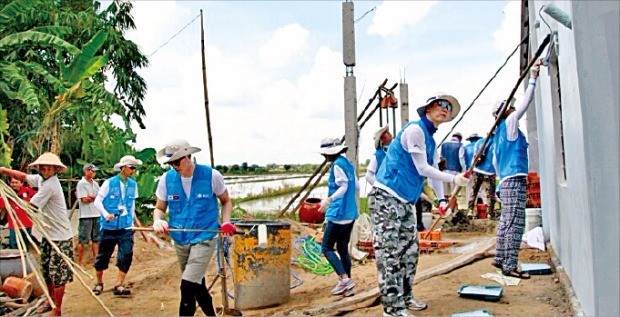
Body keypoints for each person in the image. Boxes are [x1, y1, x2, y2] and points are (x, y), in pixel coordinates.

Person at [370, 93, 470, 316]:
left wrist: (442, 200)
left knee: (410, 252)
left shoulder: (431, 139)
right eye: (440, 105)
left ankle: (405, 298)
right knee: (390, 254)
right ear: (428, 108)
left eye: (448, 107)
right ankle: (392, 308)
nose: (445, 109)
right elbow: (422, 168)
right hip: (387, 197)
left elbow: (433, 172)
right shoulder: (415, 130)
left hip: (406, 201)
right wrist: (453, 179)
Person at [152, 139, 234, 317]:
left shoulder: (211, 176)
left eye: (177, 161)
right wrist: (158, 221)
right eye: (170, 163)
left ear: (189, 156)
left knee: (187, 286)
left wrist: (226, 222)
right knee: (197, 284)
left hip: (204, 237)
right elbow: (159, 208)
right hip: (181, 239)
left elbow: (226, 201)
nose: (174, 166)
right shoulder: (167, 180)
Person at [0, 153, 74, 316]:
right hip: (48, 236)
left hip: (60, 237)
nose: (44, 169)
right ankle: (50, 299)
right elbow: (24, 177)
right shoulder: (42, 179)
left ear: (55, 169)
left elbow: (31, 207)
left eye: (48, 166)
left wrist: (10, 197)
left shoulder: (50, 185)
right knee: (47, 271)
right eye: (42, 166)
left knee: (58, 275)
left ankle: (57, 309)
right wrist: (4, 170)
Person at [491, 63, 542, 279]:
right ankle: (510, 265)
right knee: (515, 222)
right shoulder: (510, 123)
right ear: (505, 111)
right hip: (513, 180)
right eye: (509, 106)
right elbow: (524, 103)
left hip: (505, 180)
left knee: (506, 221)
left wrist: (499, 185)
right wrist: (533, 78)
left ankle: (501, 257)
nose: (513, 108)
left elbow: (495, 163)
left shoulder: (497, 135)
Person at [92, 155, 142, 296]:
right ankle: (99, 282)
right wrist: (105, 213)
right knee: (103, 256)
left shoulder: (133, 185)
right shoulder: (109, 183)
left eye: (134, 168)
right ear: (123, 167)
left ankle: (119, 284)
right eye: (131, 167)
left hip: (125, 228)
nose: (133, 170)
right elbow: (97, 201)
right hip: (109, 227)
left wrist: (132, 223)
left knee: (126, 255)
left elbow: (132, 205)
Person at [75, 163, 101, 267]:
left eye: (94, 171)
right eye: (91, 171)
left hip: (96, 213)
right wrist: (94, 197)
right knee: (83, 239)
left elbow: (98, 197)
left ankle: (97, 260)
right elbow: (84, 199)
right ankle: (80, 262)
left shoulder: (95, 184)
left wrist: (92, 197)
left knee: (96, 239)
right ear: (86, 171)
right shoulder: (81, 183)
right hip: (85, 215)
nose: (93, 173)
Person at [0, 177, 36, 249]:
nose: (14, 184)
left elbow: (37, 200)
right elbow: (1, 206)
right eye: (12, 182)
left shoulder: (27, 191)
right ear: (9, 183)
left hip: (27, 223)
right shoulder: (6, 195)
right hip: (14, 225)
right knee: (14, 245)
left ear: (21, 183)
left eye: (16, 182)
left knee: (26, 245)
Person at [467, 135, 498, 219]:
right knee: (490, 193)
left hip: (477, 170)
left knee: (474, 191)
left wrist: (472, 168)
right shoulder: (496, 142)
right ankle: (490, 213)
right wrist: (496, 172)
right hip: (489, 171)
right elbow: (496, 159)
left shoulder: (479, 142)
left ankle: (470, 211)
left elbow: (475, 156)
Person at [440, 132, 464, 196]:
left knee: (444, 193)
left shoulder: (444, 144)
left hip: (444, 171)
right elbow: (461, 158)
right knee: (454, 194)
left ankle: (444, 205)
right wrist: (464, 169)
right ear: (460, 138)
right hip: (455, 171)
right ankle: (452, 205)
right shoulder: (460, 145)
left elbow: (441, 157)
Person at [463, 133, 483, 213]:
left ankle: (470, 210)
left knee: (470, 191)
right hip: (480, 171)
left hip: (469, 171)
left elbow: (463, 160)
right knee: (482, 191)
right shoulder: (481, 147)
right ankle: (482, 210)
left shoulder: (465, 148)